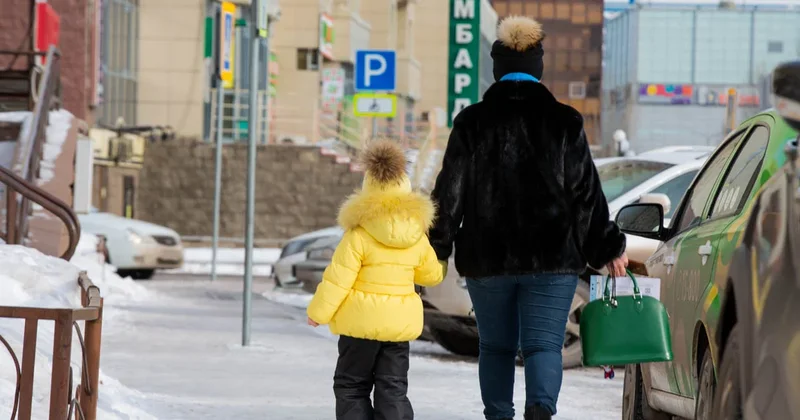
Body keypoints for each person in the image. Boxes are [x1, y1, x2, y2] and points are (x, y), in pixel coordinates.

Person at [429, 16, 628, 420]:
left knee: (496, 347)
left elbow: (448, 193)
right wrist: (607, 247)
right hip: (551, 260)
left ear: (496, 68)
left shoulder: (471, 122)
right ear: (539, 67)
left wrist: (437, 248)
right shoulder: (564, 122)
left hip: (488, 259)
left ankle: (498, 414)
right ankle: (540, 412)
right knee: (543, 345)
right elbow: (585, 194)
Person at [306, 140, 444, 420]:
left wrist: (318, 313)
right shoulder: (416, 235)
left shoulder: (358, 235)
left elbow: (338, 279)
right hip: (398, 326)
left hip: (359, 326)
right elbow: (430, 275)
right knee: (393, 387)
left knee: (351, 385)